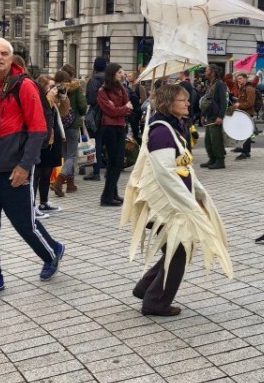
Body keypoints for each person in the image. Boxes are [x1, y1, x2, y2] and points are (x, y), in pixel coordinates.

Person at [0, 38, 65, 299]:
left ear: (11, 58)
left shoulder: (24, 85)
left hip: (14, 168)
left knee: (24, 224)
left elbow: (38, 130)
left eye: (4, 53)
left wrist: (24, 166)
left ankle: (52, 252)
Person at [123, 83, 232, 317]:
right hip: (164, 205)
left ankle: (146, 288)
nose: (187, 103)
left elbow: (183, 165)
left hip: (173, 202)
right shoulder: (162, 131)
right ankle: (155, 302)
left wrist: (199, 191)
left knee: (176, 249)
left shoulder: (175, 126)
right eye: (182, 100)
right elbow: (165, 173)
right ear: (168, 103)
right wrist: (188, 203)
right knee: (180, 250)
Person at [97, 63, 131, 206]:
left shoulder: (121, 88)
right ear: (112, 74)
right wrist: (123, 108)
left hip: (120, 126)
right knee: (114, 162)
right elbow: (110, 111)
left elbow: (129, 107)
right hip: (109, 127)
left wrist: (120, 108)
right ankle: (106, 196)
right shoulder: (103, 91)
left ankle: (112, 193)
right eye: (119, 72)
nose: (122, 74)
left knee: (118, 162)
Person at [33, 75, 68, 217]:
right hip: (42, 140)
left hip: (53, 140)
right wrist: (48, 100)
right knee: (37, 174)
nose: (54, 89)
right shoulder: (39, 101)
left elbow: (64, 112)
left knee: (47, 173)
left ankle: (44, 202)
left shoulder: (53, 102)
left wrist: (64, 98)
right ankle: (32, 205)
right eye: (51, 86)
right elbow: (40, 116)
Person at [51, 68, 86, 197]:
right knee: (72, 155)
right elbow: (83, 106)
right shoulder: (75, 88)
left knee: (65, 154)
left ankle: (70, 184)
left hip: (59, 125)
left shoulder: (53, 89)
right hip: (73, 124)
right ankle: (59, 181)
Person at [83, 56, 108, 181]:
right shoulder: (110, 80)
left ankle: (96, 171)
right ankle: (109, 168)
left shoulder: (93, 80)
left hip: (97, 116)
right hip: (110, 115)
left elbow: (91, 99)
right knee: (109, 143)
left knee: (96, 142)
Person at [200, 66, 228, 170]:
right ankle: (212, 159)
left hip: (215, 116)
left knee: (216, 140)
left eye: (207, 70)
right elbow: (206, 100)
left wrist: (220, 116)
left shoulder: (219, 84)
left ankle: (220, 161)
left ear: (212, 72)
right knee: (208, 140)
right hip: (209, 115)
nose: (205, 72)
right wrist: (203, 115)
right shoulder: (209, 84)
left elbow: (223, 102)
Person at [232, 72, 258, 159]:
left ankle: (245, 152)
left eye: (240, 78)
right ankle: (246, 151)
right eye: (237, 79)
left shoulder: (249, 89)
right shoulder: (242, 88)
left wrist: (239, 105)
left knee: (246, 133)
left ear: (245, 79)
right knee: (245, 132)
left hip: (248, 113)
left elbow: (250, 103)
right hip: (243, 113)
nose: (238, 80)